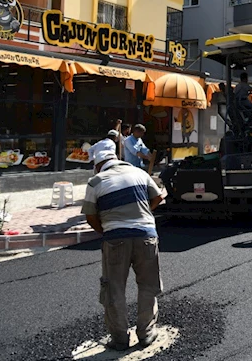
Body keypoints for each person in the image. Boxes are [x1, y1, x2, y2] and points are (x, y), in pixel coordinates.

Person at [82, 149, 164, 351]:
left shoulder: (96, 182)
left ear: (98, 165)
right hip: (146, 235)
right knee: (147, 284)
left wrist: (107, 230)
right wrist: (143, 213)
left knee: (114, 287)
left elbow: (90, 216)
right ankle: (146, 333)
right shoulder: (140, 173)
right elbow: (158, 197)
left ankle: (120, 338)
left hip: (115, 239)